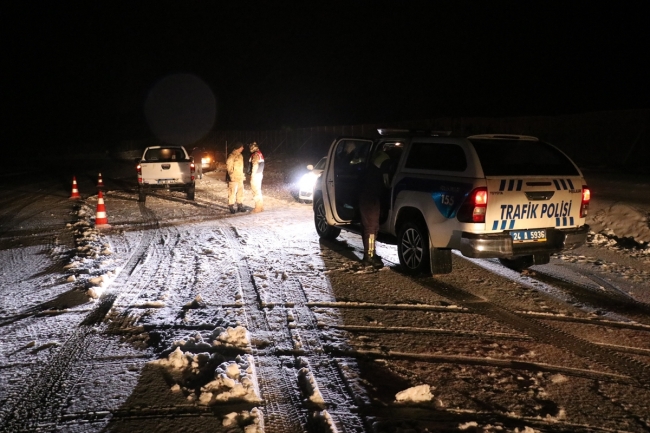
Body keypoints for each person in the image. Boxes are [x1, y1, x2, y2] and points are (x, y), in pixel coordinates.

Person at [358, 147, 392, 268]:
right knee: (371, 229)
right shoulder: (383, 164)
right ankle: (369, 257)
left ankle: (370, 254)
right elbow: (387, 183)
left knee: (369, 228)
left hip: (368, 198)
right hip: (370, 200)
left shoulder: (372, 166)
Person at [226, 142, 246, 214]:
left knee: (241, 192)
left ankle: (240, 205)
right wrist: (231, 176)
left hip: (240, 177)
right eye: (241, 147)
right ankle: (231, 206)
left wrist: (242, 175)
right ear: (238, 148)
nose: (243, 148)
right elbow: (229, 167)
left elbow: (241, 167)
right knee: (232, 192)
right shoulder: (232, 156)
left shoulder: (240, 156)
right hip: (234, 178)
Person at [247, 141, 265, 213]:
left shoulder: (255, 155)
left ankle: (257, 208)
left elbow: (255, 167)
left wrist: (252, 176)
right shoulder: (259, 153)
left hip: (256, 175)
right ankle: (260, 207)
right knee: (258, 191)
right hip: (259, 174)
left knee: (255, 191)